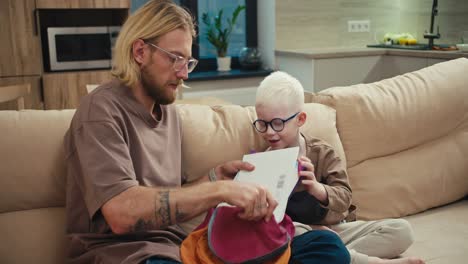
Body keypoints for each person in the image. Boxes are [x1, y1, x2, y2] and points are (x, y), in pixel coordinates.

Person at [64, 1, 350, 263]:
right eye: (175, 59)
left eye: (187, 62)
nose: (184, 73)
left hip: (180, 248)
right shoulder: (100, 112)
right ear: (140, 52)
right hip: (124, 255)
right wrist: (217, 190)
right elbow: (122, 214)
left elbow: (167, 197)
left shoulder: (168, 113)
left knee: (326, 247)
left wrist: (214, 177)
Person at [253, 71, 425, 264]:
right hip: (296, 234)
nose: (268, 132)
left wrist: (318, 189)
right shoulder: (262, 162)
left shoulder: (323, 153)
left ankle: (335, 257)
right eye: (262, 123)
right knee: (293, 229)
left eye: (277, 123)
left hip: (333, 231)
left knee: (401, 231)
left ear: (300, 119)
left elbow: (344, 198)